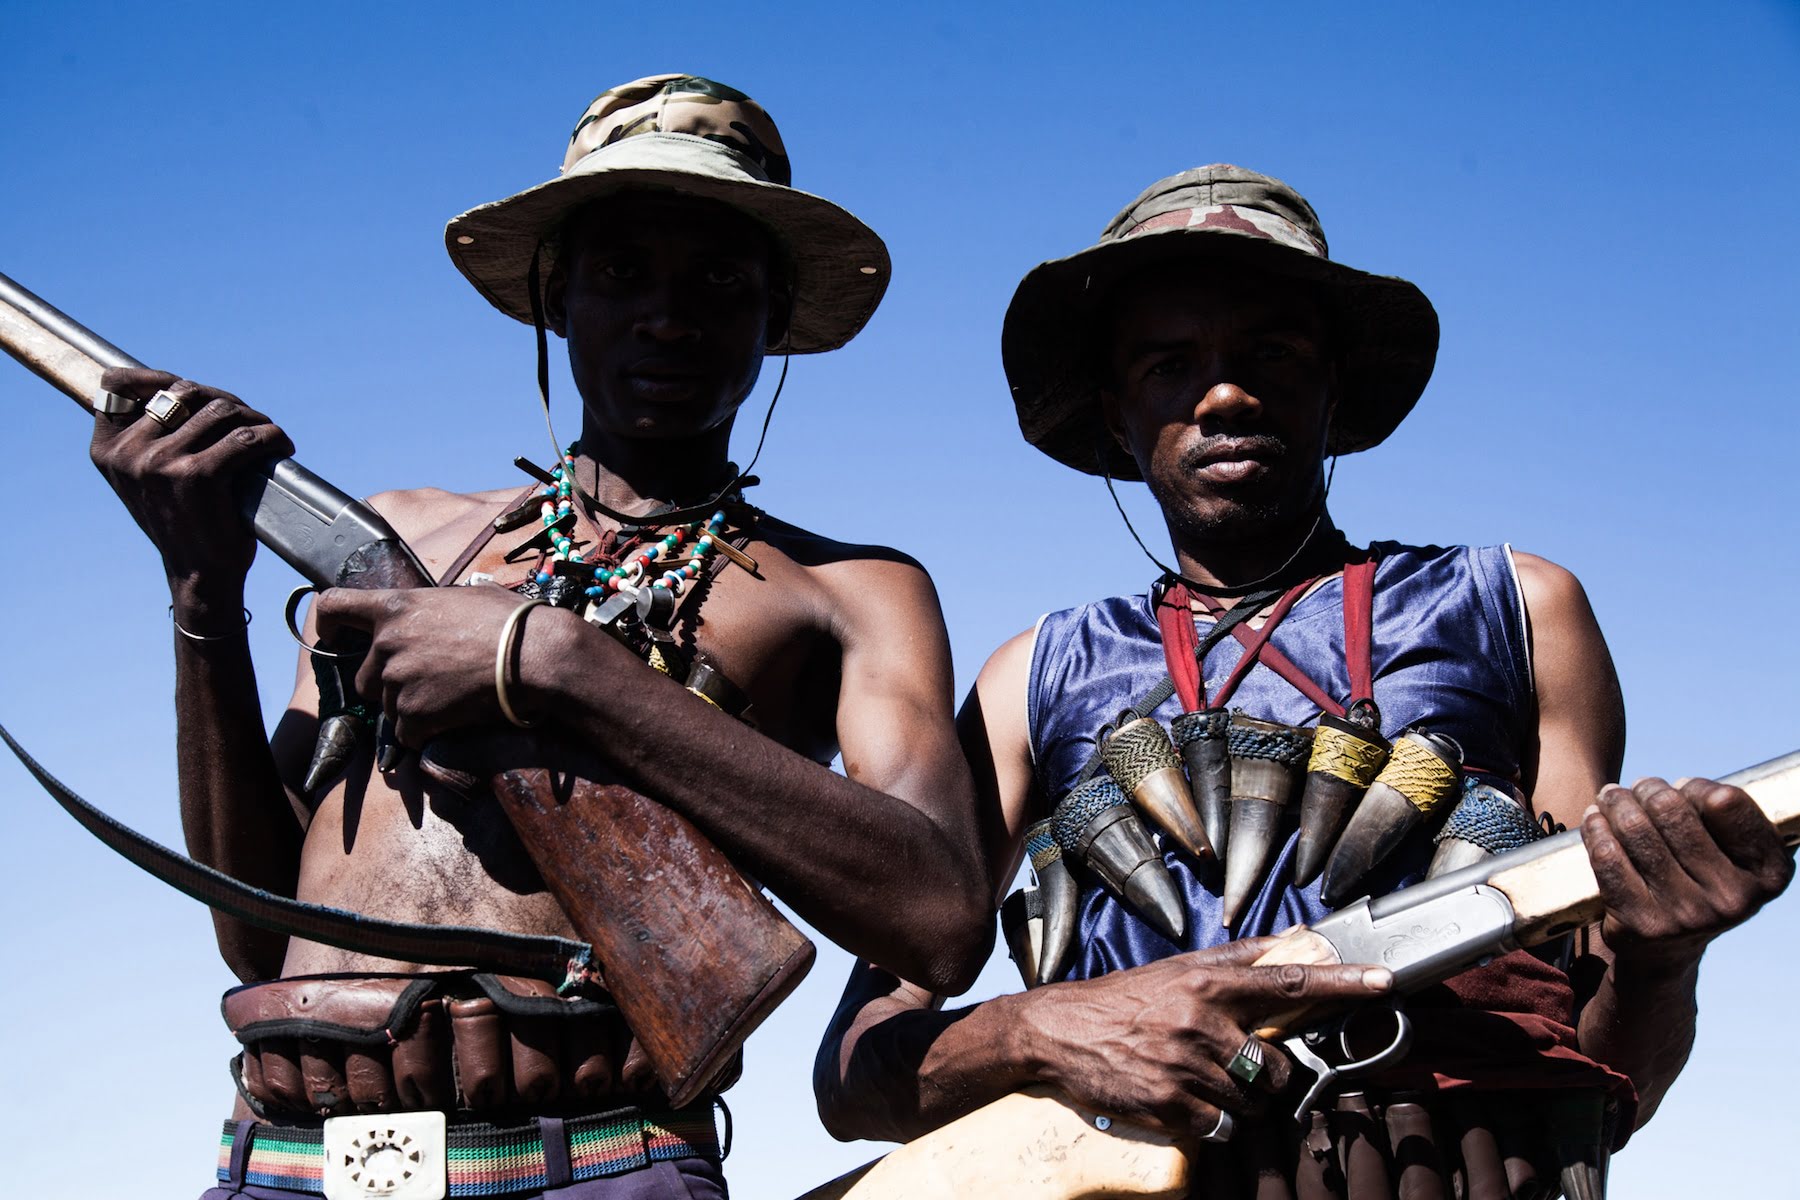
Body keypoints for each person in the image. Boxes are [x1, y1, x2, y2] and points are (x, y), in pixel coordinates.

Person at [87, 75, 990, 1200]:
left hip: (598, 1162)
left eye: (720, 281)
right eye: (621, 274)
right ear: (556, 300)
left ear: (775, 316)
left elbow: (940, 918)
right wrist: (202, 593)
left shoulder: (851, 593)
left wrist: (559, 666)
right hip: (290, 1158)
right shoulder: (404, 537)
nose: (668, 316)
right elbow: (254, 931)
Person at [814, 165, 1794, 1197]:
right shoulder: (1032, 678)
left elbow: (1602, 1064)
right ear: (1116, 412)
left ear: (1337, 387)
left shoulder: (1517, 608)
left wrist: (1662, 960)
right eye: (1169, 364)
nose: (1226, 394)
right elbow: (857, 1072)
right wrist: (1044, 1029)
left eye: (1271, 354)